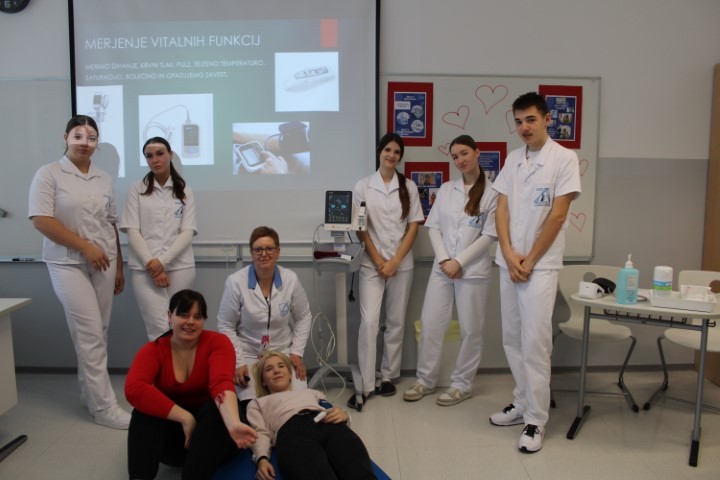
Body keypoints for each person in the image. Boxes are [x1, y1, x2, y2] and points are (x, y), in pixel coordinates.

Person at [489, 92, 581, 454]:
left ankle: (537, 420)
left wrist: (529, 260)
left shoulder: (564, 158)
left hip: (539, 267)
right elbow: (501, 209)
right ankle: (521, 402)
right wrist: (509, 254)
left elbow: (557, 216)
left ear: (546, 120)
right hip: (509, 262)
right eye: (518, 121)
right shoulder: (514, 159)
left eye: (530, 119)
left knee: (535, 343)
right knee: (512, 338)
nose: (524, 127)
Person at [28, 114, 131, 429]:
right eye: (78, 136)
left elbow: (110, 223)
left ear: (97, 143)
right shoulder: (49, 174)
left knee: (99, 331)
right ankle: (105, 407)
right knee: (89, 333)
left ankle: (89, 393)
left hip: (104, 261)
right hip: (67, 262)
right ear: (66, 138)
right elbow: (41, 219)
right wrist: (85, 247)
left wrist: (119, 265)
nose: (85, 143)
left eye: (91, 138)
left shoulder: (103, 178)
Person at [403, 135, 498, 407]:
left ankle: (462, 385)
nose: (460, 160)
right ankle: (425, 380)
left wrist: (460, 261)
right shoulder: (446, 189)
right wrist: (446, 260)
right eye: (455, 156)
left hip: (473, 271)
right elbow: (433, 226)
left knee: (471, 329)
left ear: (477, 152)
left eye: (464, 153)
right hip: (442, 269)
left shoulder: (493, 192)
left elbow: (490, 235)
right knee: (431, 323)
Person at [125, 289, 258, 480]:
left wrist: (233, 423)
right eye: (184, 315)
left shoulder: (218, 342)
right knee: (143, 412)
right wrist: (185, 418)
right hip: (178, 442)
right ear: (170, 316)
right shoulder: (153, 350)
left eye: (197, 316)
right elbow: (134, 389)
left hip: (217, 439)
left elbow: (220, 383)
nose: (190, 322)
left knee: (216, 410)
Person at [351, 133, 424, 410]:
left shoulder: (409, 186)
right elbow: (361, 228)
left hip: (401, 265)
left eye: (396, 152)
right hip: (372, 264)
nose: (391, 155)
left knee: (395, 322)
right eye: (388, 150)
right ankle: (367, 382)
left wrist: (394, 262)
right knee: (369, 322)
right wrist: (380, 259)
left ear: (400, 156)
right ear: (379, 151)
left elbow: (414, 226)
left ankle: (388, 376)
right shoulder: (363, 186)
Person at [217, 226, 312, 403]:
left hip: (282, 352)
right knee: (251, 402)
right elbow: (226, 325)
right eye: (258, 249)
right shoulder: (236, 282)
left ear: (278, 251)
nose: (264, 254)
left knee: (297, 400)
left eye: (269, 249)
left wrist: (296, 352)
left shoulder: (290, 279)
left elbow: (303, 316)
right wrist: (238, 361)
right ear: (251, 253)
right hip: (248, 353)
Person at [247, 351, 376, 480]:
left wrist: (345, 415)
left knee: (359, 471)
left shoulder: (311, 392)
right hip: (293, 434)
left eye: (281, 366)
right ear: (263, 381)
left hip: (326, 423)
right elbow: (259, 433)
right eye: (269, 369)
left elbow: (330, 410)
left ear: (290, 375)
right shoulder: (258, 403)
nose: (276, 371)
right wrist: (262, 459)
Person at [119, 137, 197, 340]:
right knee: (159, 327)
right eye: (149, 156)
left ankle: (181, 363)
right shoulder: (136, 189)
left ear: (170, 155)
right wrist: (152, 264)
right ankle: (163, 363)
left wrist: (162, 262)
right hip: (145, 268)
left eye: (160, 153)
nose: (155, 159)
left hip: (180, 266)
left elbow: (187, 231)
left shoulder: (185, 190)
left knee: (180, 325)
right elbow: (132, 230)